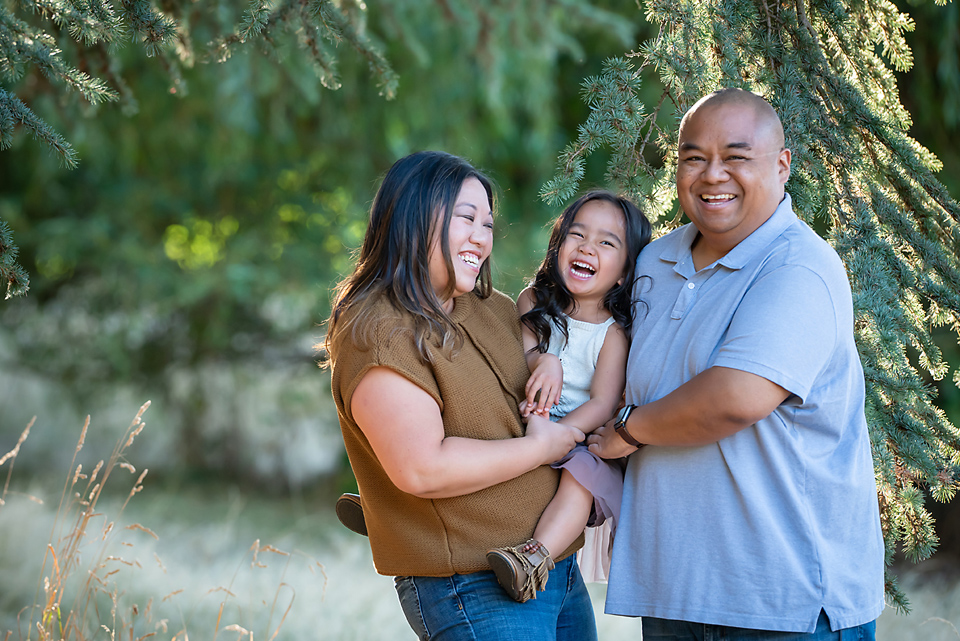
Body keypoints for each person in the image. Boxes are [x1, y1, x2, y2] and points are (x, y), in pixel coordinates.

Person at [587, 88, 885, 639]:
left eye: (736, 157)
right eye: (694, 157)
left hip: (782, 604)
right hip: (675, 593)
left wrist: (628, 430)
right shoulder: (656, 259)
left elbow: (733, 399)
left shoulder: (799, 267)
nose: (711, 175)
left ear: (781, 165)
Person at [324, 150, 598, 640]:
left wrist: (546, 358)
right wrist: (541, 448)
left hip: (555, 568)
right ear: (410, 218)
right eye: (465, 218)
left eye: (488, 223)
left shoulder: (494, 309)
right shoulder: (379, 332)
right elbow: (423, 467)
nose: (481, 237)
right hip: (472, 585)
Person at [485, 191, 651, 602]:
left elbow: (602, 402)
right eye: (576, 235)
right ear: (558, 247)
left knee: (581, 479)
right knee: (475, 404)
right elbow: (522, 355)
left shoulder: (612, 333)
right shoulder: (534, 301)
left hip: (575, 436)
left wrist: (562, 434)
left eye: (606, 243)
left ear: (624, 273)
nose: (587, 247)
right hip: (523, 413)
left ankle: (533, 559)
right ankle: (403, 504)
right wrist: (544, 359)